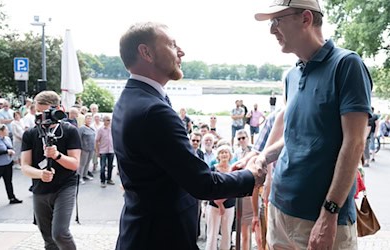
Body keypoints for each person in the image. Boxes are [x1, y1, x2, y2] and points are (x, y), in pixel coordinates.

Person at [113, 22, 266, 250]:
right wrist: (250, 176)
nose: (181, 52)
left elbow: (173, 168)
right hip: (161, 239)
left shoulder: (131, 100)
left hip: (141, 231)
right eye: (172, 45)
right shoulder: (153, 111)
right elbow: (202, 184)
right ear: (146, 52)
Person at [252, 1, 372, 249]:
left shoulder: (347, 64)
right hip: (279, 209)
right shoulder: (291, 76)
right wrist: (263, 156)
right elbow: (294, 136)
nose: (272, 30)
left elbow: (355, 143)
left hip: (321, 217)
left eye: (277, 21)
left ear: (305, 19)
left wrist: (330, 213)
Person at [21, 90, 81, 249]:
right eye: (38, 112)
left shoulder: (69, 131)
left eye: (45, 112)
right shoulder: (30, 134)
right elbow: (25, 166)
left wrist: (57, 156)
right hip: (40, 188)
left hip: (65, 185)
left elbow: (75, 164)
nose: (42, 117)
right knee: (48, 238)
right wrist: (40, 173)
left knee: (60, 233)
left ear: (58, 109)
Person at [205, 145, 236, 250]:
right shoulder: (212, 169)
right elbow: (209, 188)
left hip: (229, 206)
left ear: (230, 155)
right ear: (218, 155)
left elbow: (234, 189)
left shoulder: (233, 169)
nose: (224, 154)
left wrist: (222, 204)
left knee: (227, 233)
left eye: (226, 152)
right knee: (212, 233)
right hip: (213, 205)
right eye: (221, 152)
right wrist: (219, 204)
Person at [0, 124, 22, 206]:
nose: (8, 131)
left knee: (8, 181)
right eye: (6, 130)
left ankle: (12, 197)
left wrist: (11, 151)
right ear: (0, 131)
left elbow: (10, 147)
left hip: (7, 163)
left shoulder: (7, 139)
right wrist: (6, 152)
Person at [95, 115, 115, 188]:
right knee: (103, 167)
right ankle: (102, 181)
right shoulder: (100, 129)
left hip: (111, 150)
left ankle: (109, 179)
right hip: (103, 150)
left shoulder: (112, 129)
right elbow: (96, 141)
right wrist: (97, 151)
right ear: (104, 121)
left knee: (110, 166)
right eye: (107, 120)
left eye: (109, 120)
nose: (109, 121)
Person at [77, 114, 95, 184]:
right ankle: (80, 177)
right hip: (84, 149)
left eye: (90, 119)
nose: (89, 120)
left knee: (88, 163)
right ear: (85, 119)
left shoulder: (92, 128)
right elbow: (78, 138)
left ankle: (85, 174)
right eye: (88, 118)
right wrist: (80, 148)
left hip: (91, 148)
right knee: (82, 163)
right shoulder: (82, 128)